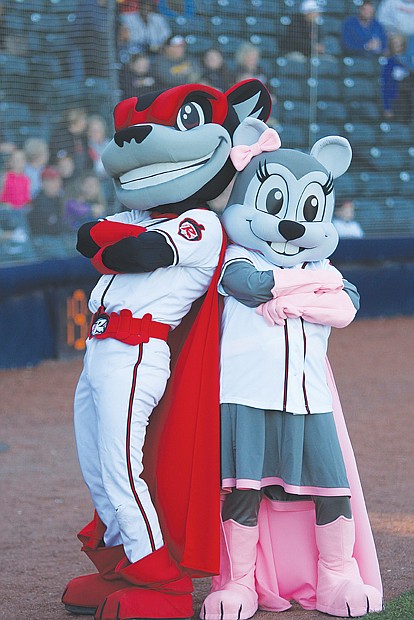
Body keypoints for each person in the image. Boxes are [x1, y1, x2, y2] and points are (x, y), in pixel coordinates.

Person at [200, 119, 382, 620]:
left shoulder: (328, 271)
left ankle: (337, 577)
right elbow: (251, 287)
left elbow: (344, 309)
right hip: (243, 393)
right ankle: (238, 583)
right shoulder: (235, 257)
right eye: (276, 205)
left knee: (330, 488)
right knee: (244, 493)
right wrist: (304, 292)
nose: (292, 226)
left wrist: (291, 296)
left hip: (309, 397)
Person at [49, 107, 93, 176]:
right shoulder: (61, 135)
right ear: (74, 121)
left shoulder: (83, 137)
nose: (86, 122)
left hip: (83, 174)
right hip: (67, 175)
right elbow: (60, 157)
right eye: (83, 119)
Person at [27, 166, 66, 236]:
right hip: (42, 240)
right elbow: (50, 226)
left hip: (59, 238)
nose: (56, 184)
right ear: (43, 183)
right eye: (52, 181)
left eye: (57, 180)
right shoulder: (39, 201)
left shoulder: (59, 199)